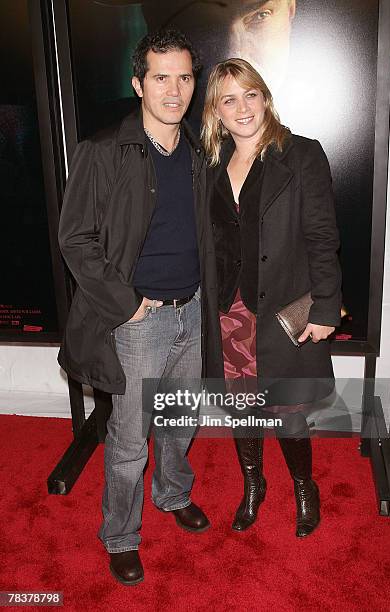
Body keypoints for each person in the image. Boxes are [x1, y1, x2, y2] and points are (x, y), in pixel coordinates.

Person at [58, 29, 222, 586]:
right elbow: (75, 239)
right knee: (129, 440)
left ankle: (174, 495)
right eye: (160, 77)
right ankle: (121, 535)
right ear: (138, 84)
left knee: (179, 422)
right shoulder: (102, 152)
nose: (174, 90)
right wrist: (126, 305)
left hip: (192, 310)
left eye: (184, 77)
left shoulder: (200, 151)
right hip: (139, 322)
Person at [201, 58, 341, 537]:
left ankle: (305, 487)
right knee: (241, 407)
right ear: (216, 112)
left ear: (265, 97)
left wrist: (325, 307)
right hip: (229, 312)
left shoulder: (301, 155)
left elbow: (323, 236)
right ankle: (253, 485)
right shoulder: (210, 164)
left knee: (287, 409)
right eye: (229, 99)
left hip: (282, 310)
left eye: (250, 94)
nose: (242, 108)